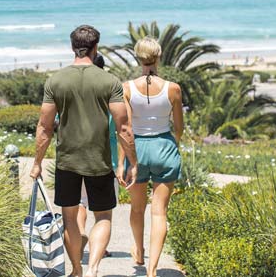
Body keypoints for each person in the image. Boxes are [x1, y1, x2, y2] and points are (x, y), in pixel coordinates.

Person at [30, 25, 138, 277]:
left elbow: (44, 128)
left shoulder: (55, 80)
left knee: (69, 219)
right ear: (95, 47)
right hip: (98, 162)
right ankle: (93, 269)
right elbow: (124, 128)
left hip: (67, 161)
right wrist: (133, 161)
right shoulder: (109, 81)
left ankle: (77, 269)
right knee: (103, 217)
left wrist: (37, 162)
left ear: (72, 47)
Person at [120, 37, 183, 277]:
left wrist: (123, 160)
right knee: (159, 211)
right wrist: (171, 144)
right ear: (158, 56)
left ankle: (138, 250)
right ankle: (153, 269)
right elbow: (179, 127)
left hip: (135, 149)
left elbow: (125, 128)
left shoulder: (127, 88)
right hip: (164, 146)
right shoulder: (173, 88)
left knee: (137, 209)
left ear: (138, 57)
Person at [76, 54, 119, 258]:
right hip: (104, 157)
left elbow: (57, 120)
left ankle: (80, 234)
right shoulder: (110, 89)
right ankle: (99, 248)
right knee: (103, 212)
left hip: (76, 156)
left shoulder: (75, 89)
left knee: (81, 202)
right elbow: (122, 126)